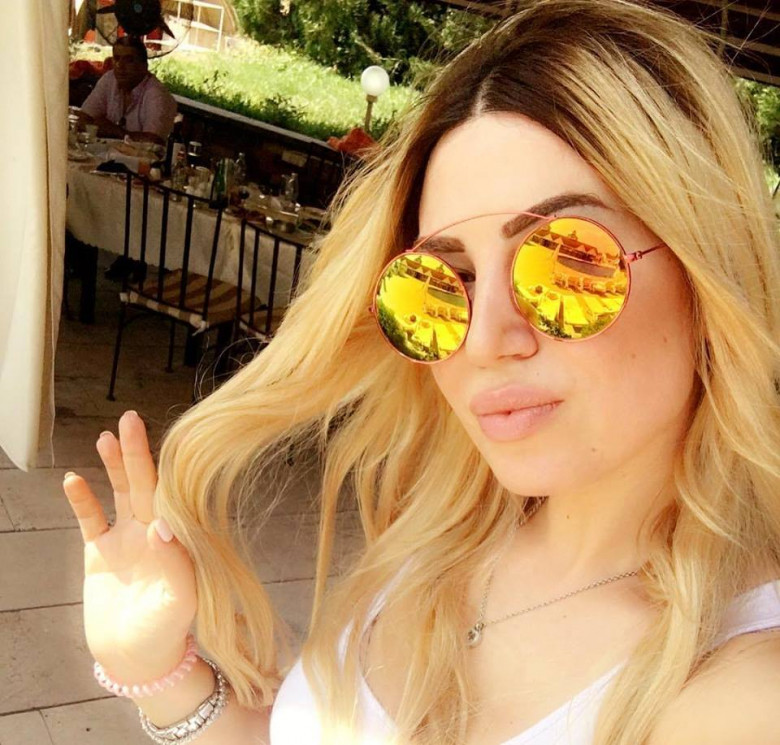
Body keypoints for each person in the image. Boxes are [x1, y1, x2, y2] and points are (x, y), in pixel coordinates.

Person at [62, 1, 780, 743]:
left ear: (708, 272)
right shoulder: (443, 535)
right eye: (440, 285)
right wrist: (158, 671)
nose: (483, 341)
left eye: (566, 265)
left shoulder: (742, 694)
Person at [79, 36, 177, 146]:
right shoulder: (110, 79)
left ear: (144, 66)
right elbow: (83, 118)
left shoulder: (156, 95)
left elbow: (154, 142)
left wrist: (115, 131)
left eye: (129, 60)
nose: (120, 65)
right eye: (116, 58)